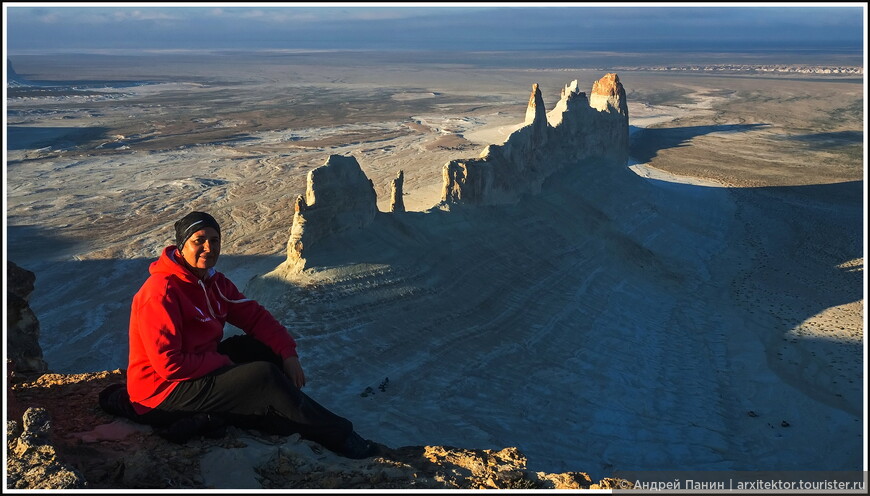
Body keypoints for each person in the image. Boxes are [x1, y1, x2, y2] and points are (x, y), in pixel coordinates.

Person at [102, 211, 377, 459]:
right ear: (181, 245)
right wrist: (225, 364)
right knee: (262, 376)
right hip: (162, 391)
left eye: (214, 239)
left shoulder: (213, 282)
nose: (208, 248)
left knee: (261, 350)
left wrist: (288, 352)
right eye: (199, 240)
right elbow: (169, 365)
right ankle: (339, 434)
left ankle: (283, 414)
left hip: (196, 368)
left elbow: (254, 317)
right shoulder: (161, 292)